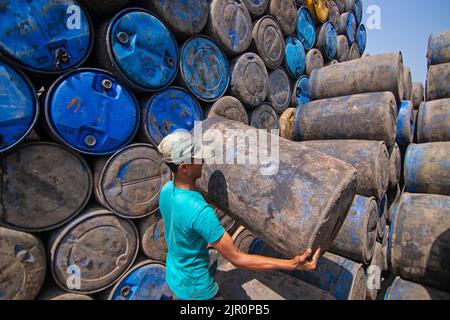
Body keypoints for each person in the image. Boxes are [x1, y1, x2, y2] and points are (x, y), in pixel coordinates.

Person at [157, 131, 321, 300]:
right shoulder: (199, 212)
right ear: (184, 167)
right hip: (198, 292)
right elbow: (237, 258)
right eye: (197, 157)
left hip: (174, 277)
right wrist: (292, 264)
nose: (202, 160)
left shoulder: (166, 190)